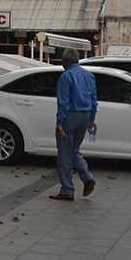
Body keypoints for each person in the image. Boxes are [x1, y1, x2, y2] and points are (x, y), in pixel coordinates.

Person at [50, 48, 97, 201]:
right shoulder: (89, 76)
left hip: (70, 117)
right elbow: (94, 100)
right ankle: (87, 176)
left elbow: (63, 102)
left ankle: (67, 189)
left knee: (64, 153)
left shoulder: (66, 76)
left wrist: (59, 124)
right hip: (85, 116)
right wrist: (91, 120)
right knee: (74, 149)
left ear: (65, 61)